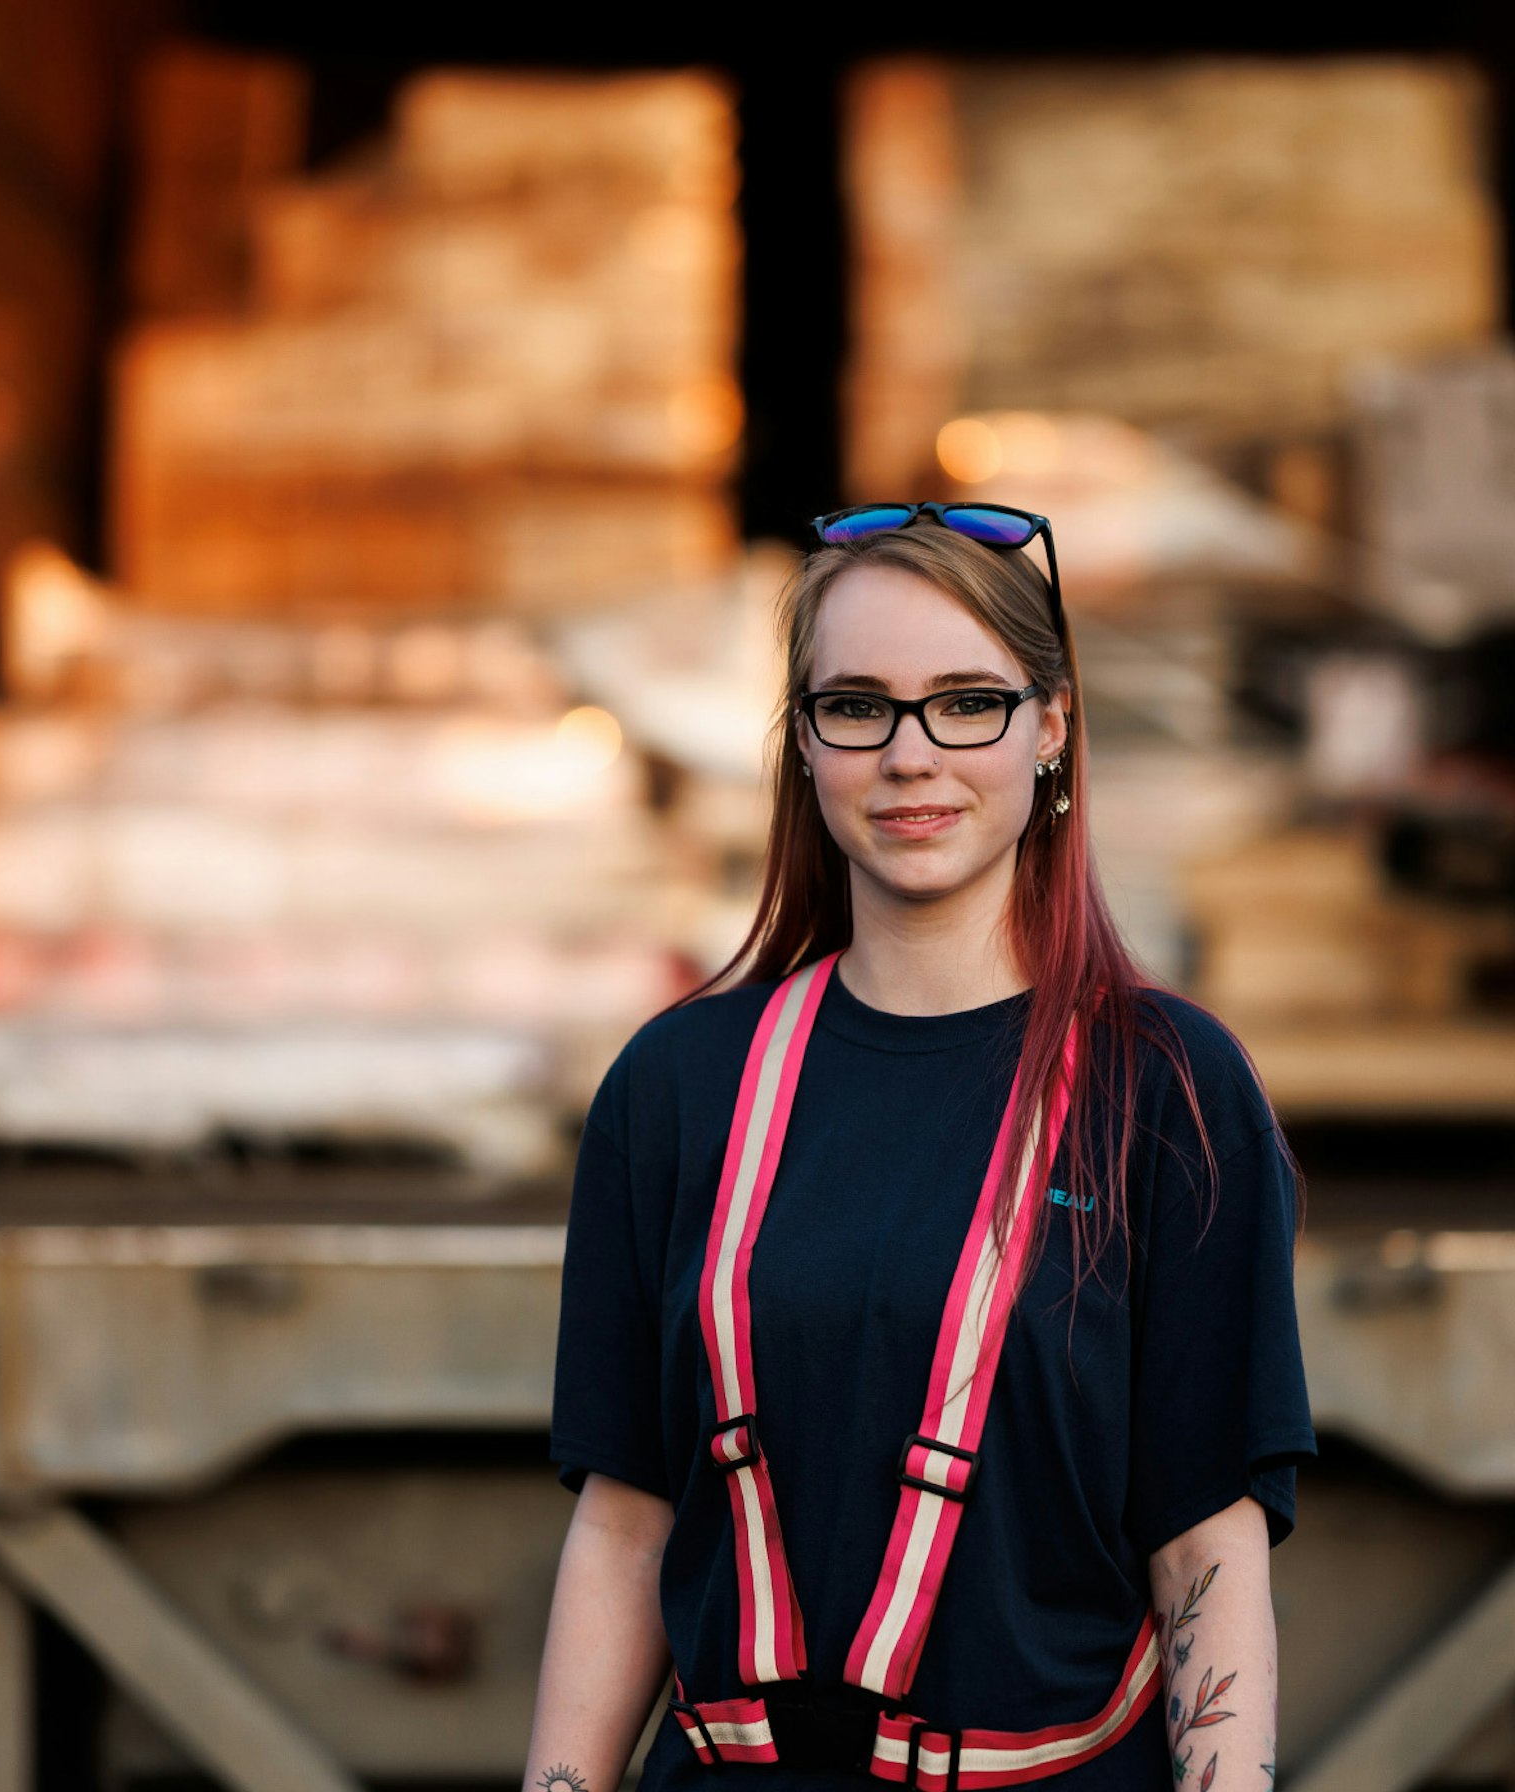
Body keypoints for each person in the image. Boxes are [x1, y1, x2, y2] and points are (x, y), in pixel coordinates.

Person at [527, 502, 1316, 1792]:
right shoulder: (675, 1085)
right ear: (804, 743)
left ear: (1052, 728)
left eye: (967, 702)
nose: (910, 754)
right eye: (858, 706)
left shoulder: (1167, 1086)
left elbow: (1204, 1548)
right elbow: (624, 1526)